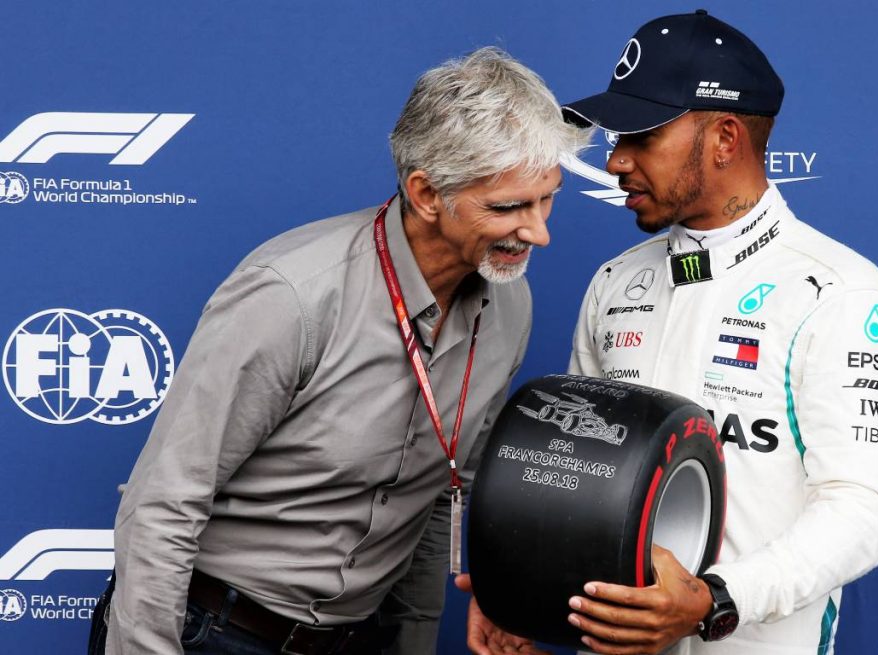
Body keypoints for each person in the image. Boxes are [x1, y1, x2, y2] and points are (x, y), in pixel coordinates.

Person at [90, 46, 587, 655]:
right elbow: (164, 504)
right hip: (213, 633)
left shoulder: (511, 303)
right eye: (508, 207)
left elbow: (437, 498)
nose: (539, 232)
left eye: (547, 199)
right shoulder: (291, 295)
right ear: (427, 194)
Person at [461, 10, 878, 655]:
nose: (615, 160)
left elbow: (861, 511)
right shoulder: (615, 281)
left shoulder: (841, 292)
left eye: (642, 136)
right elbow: (568, 473)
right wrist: (522, 597)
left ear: (725, 138)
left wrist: (715, 600)